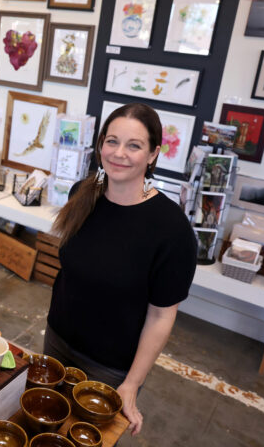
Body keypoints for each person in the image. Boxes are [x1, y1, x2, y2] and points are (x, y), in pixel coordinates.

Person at [45, 103, 197, 436]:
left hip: (109, 367)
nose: (119, 153)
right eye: (112, 141)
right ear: (100, 145)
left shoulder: (171, 229)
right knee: (43, 430)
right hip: (56, 341)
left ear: (154, 154)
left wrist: (132, 383)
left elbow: (161, 316)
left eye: (134, 145)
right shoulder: (82, 196)